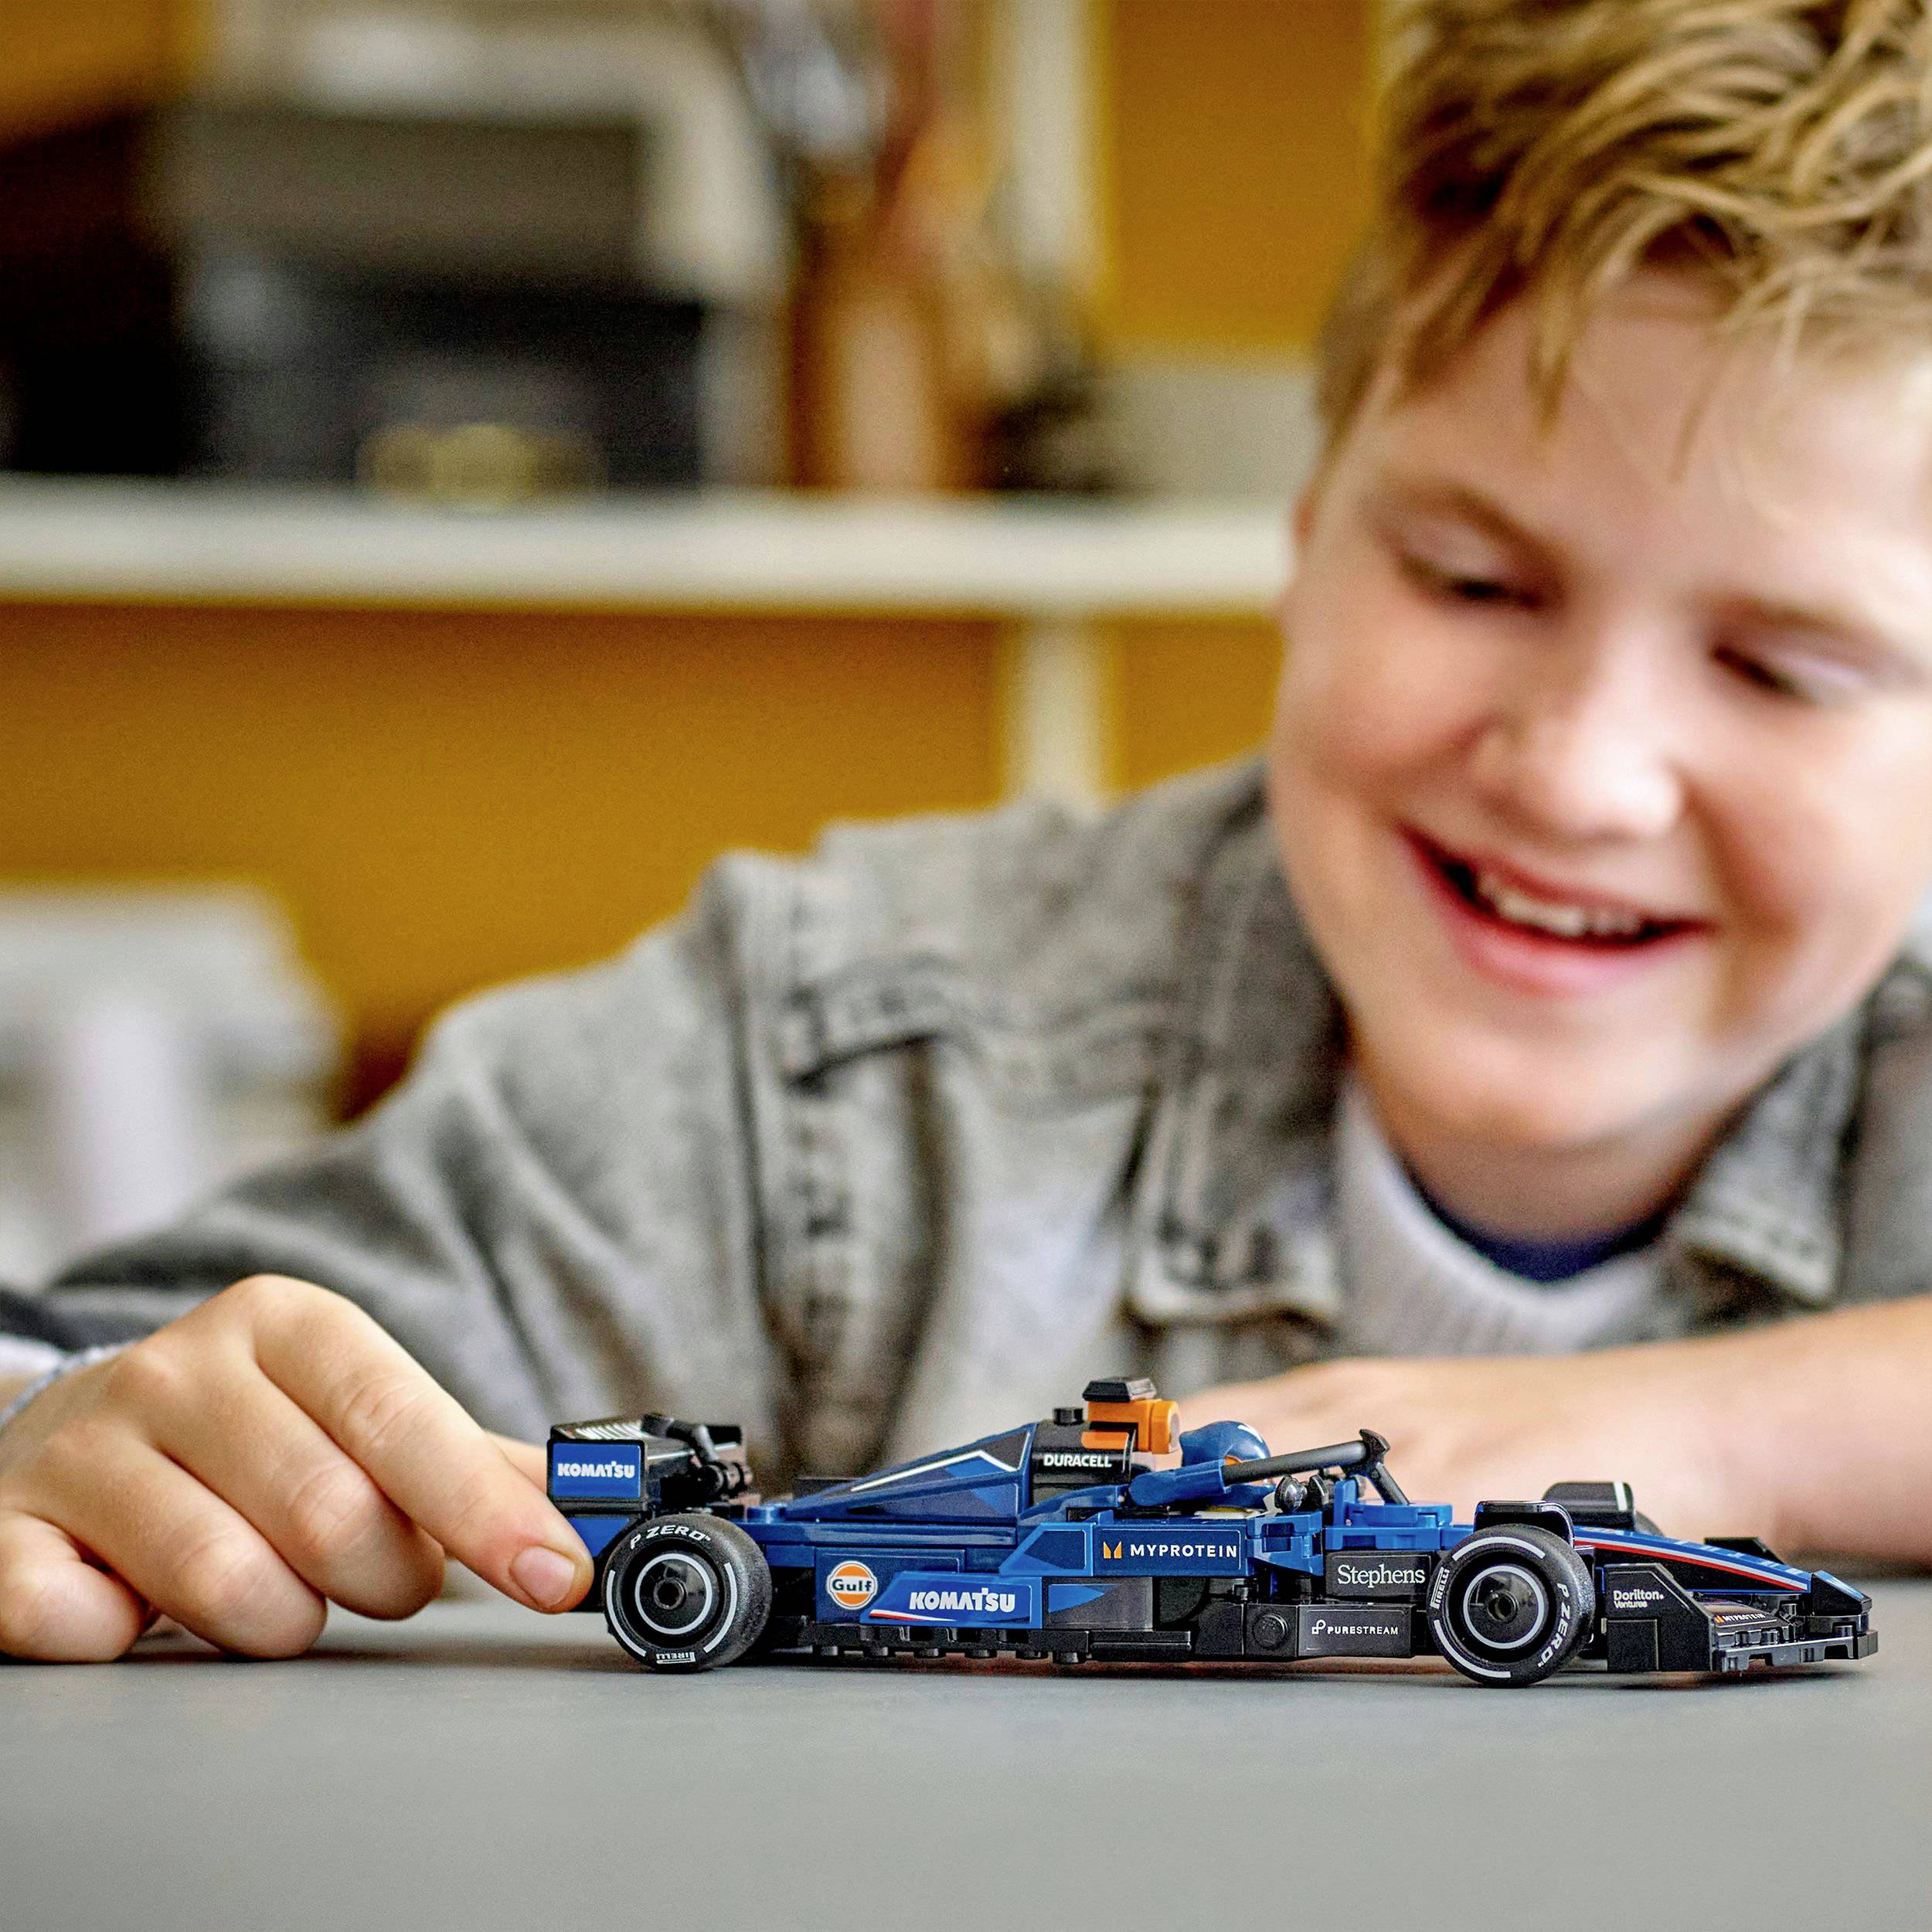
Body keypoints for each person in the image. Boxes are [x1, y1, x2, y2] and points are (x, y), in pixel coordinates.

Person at [4, 0, 1931, 1664]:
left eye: (1781, 670)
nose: (1578, 771)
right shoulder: (830, 1067)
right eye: (1469, 578)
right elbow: (71, 1387)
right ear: (1304, 525)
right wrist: (61, 1439)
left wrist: (1729, 1429)